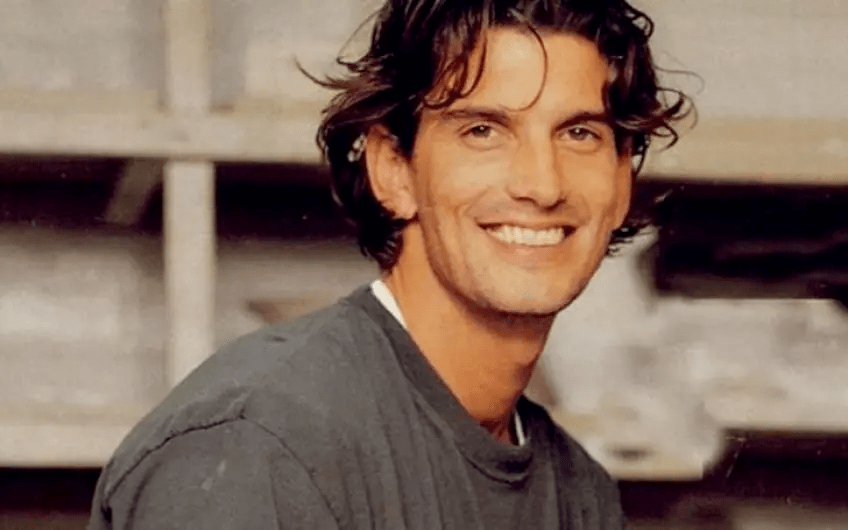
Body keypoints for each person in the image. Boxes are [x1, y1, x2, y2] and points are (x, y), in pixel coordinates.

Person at [90, 0, 689, 528]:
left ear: (620, 181)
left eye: (579, 134)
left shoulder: (580, 494)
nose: (542, 184)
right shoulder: (261, 446)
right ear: (393, 170)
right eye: (483, 130)